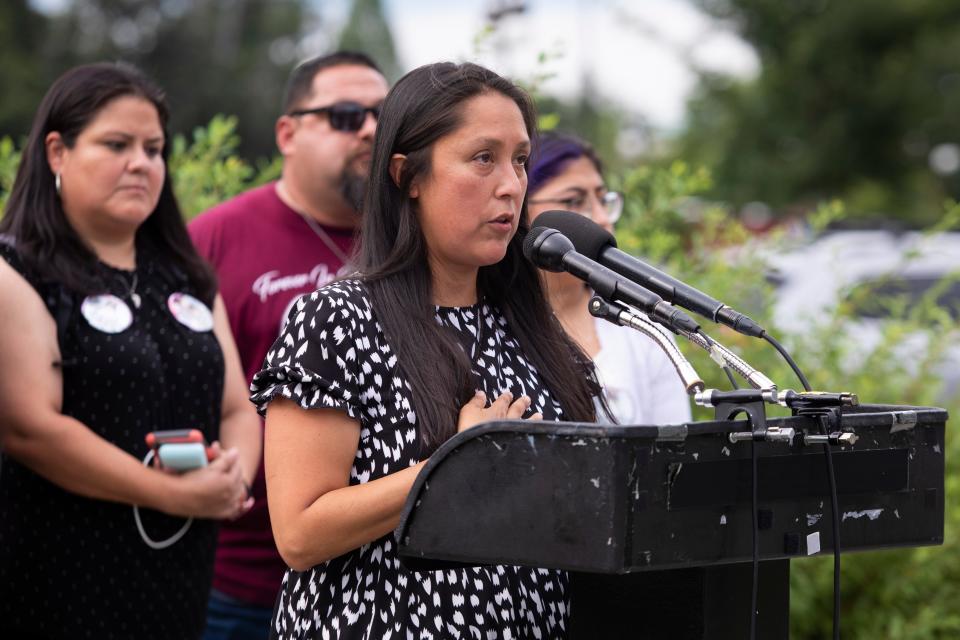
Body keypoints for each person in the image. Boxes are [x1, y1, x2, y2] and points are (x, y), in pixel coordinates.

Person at [250, 62, 604, 638]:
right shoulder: (337, 319)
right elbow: (300, 534)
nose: (513, 185)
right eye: (483, 158)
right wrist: (458, 460)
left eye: (520, 160)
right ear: (407, 175)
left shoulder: (525, 324)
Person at [0, 62, 260, 639]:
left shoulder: (188, 277)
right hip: (59, 579)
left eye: (154, 148)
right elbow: (29, 428)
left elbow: (238, 407)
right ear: (57, 152)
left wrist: (232, 477)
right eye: (117, 144)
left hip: (177, 578)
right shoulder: (14, 271)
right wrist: (170, 493)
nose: (142, 163)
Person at [188, 51, 389, 638]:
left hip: (373, 582)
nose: (371, 129)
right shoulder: (215, 238)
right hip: (237, 583)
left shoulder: (409, 245)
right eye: (347, 114)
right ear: (287, 132)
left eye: (382, 113)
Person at [527, 131, 692, 425]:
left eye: (603, 200)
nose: (603, 219)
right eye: (575, 201)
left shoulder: (642, 322)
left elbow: (677, 451)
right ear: (517, 208)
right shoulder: (487, 326)